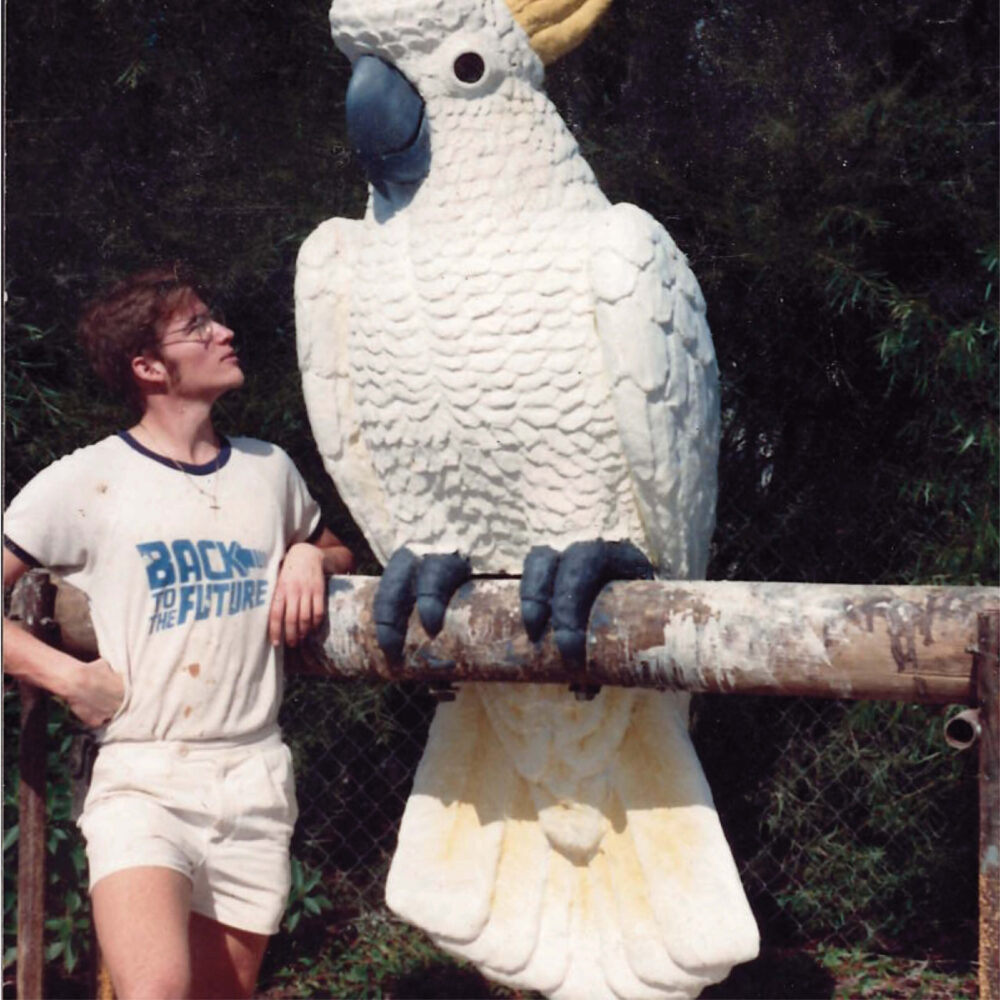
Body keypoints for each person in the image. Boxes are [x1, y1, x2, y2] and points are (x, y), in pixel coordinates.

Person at [2, 265, 355, 999]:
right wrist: (64, 675)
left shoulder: (269, 470)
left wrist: (305, 557)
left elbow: (335, 549)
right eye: (197, 327)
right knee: (156, 990)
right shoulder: (87, 479)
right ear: (147, 366)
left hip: (254, 774)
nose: (224, 333)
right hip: (144, 777)